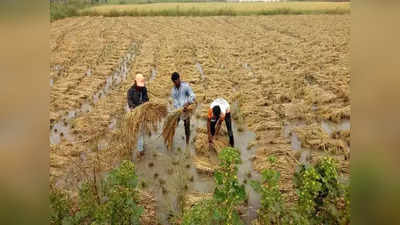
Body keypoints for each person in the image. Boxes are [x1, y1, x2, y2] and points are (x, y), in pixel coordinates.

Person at [127, 73, 149, 158]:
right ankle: (137, 148)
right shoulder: (130, 91)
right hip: (135, 113)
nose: (140, 86)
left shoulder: (143, 89)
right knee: (135, 131)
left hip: (142, 112)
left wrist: (144, 104)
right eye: (139, 85)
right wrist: (133, 108)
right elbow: (129, 101)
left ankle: (140, 149)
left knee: (141, 131)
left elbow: (146, 98)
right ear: (135, 82)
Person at [170, 72, 196, 144]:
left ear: (179, 78)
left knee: (187, 128)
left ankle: (187, 143)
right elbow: (174, 101)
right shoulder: (173, 90)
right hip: (178, 111)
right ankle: (170, 139)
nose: (176, 83)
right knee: (173, 126)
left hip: (186, 110)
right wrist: (177, 109)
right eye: (174, 82)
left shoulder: (186, 87)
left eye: (176, 81)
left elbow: (193, 96)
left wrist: (187, 103)